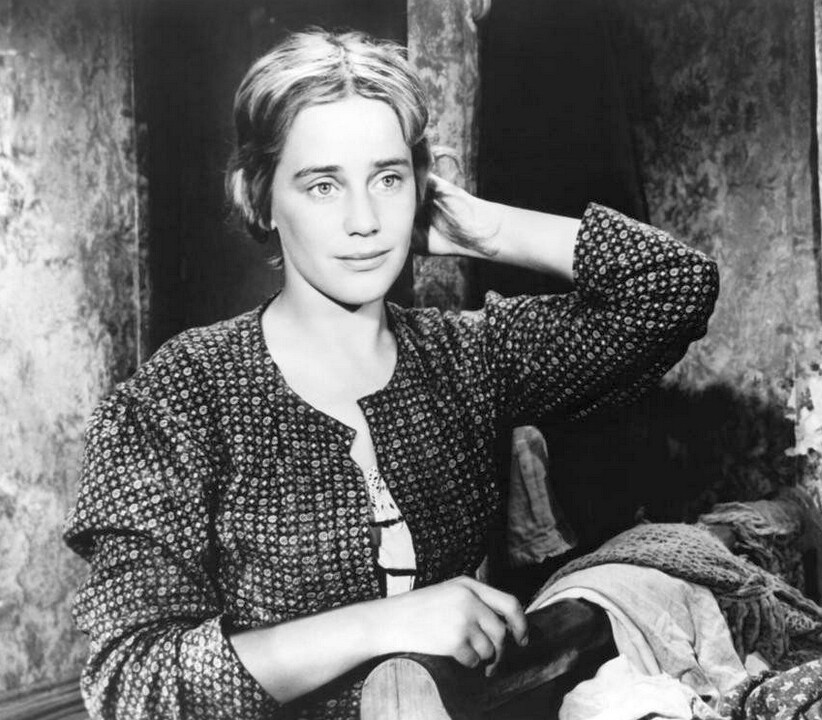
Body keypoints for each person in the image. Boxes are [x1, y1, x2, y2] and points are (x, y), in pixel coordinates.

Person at [63, 28, 719, 720]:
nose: (365, 221)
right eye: (323, 185)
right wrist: (386, 622)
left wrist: (481, 229)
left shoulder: (465, 358)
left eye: (388, 179)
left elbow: (672, 287)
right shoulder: (179, 397)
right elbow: (133, 683)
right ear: (258, 197)